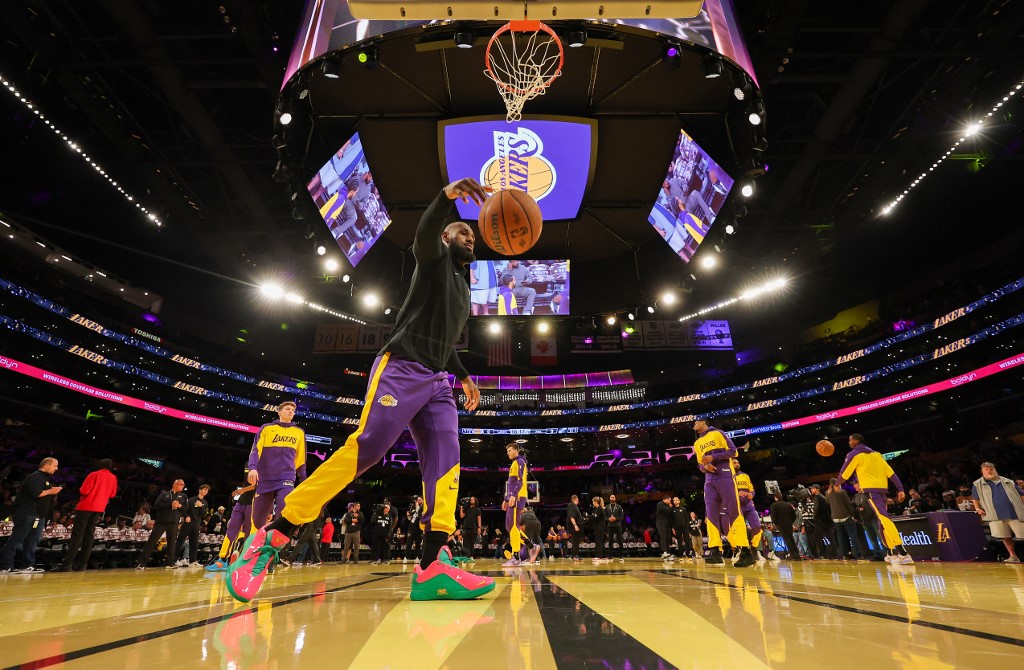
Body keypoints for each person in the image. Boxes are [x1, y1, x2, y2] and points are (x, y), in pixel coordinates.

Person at [228, 177, 493, 603]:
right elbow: (425, 232)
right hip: (401, 368)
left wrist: (462, 375)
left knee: (447, 459)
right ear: (446, 237)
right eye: (464, 231)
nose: (470, 237)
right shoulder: (434, 257)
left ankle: (433, 563)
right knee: (367, 447)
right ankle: (274, 534)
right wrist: (444, 197)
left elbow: (443, 341)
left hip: (437, 381)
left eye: (474, 236)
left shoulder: (462, 287)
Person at [834, 433, 912, 564]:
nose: (849, 443)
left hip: (870, 491)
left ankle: (903, 553)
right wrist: (900, 489)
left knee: (884, 519)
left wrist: (837, 484)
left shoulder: (854, 454)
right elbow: (891, 473)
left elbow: (845, 472)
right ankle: (891, 552)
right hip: (882, 490)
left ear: (856, 441)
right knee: (881, 521)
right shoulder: (877, 454)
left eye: (850, 440)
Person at [693, 420, 754, 567]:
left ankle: (745, 551)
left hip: (725, 475)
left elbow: (733, 452)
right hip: (709, 479)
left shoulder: (718, 433)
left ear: (703, 422)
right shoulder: (697, 443)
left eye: (695, 422)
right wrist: (705, 467)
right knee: (711, 515)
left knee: (734, 511)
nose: (693, 426)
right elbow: (700, 465)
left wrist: (713, 457)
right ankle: (715, 550)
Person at [246, 401, 307, 533]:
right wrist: (252, 468)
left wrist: (303, 479)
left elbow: (301, 458)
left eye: (293, 410)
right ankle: (259, 542)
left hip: (287, 477)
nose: (291, 411)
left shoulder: (299, 433)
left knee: (284, 511)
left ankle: (275, 545)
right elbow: (256, 450)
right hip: (265, 478)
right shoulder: (266, 428)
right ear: (279, 412)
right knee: (257, 520)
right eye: (287, 409)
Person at [0, 458, 62, 573]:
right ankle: (5, 565)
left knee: (33, 540)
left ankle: (27, 565)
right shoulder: (36, 477)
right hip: (27, 514)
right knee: (17, 539)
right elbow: (36, 493)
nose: (57, 468)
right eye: (55, 465)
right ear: (47, 466)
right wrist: (51, 491)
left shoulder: (44, 478)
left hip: (38, 516)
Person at [56, 458, 117, 572]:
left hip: (86, 506)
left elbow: (84, 491)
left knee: (77, 535)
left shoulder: (94, 474)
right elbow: (112, 494)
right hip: (99, 508)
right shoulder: (113, 478)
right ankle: (82, 564)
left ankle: (67, 564)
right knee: (89, 536)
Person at [971, 462, 1024, 563]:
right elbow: (975, 498)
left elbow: (1021, 494)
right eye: (986, 470)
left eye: (991, 469)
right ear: (981, 471)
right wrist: (977, 508)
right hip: (994, 515)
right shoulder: (977, 484)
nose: (989, 471)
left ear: (995, 470)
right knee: (1004, 537)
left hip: (1014, 513)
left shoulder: (1008, 481)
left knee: (1022, 535)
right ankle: (1013, 556)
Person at [136, 479, 188, 569]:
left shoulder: (183, 496)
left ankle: (170, 563)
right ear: (175, 484)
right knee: (152, 541)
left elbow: (185, 509)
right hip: (161, 522)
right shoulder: (164, 495)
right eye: (181, 484)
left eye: (183, 485)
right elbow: (157, 506)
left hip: (174, 522)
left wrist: (179, 506)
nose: (183, 486)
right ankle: (142, 563)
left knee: (172, 543)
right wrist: (170, 504)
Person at [207, 483, 255, 572]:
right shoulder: (248, 469)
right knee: (230, 531)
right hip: (241, 502)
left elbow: (260, 484)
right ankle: (223, 560)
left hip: (254, 503)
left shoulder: (262, 470)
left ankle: (246, 561)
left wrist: (243, 490)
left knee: (248, 534)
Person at [731, 458, 765, 563]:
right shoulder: (728, 478)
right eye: (734, 463)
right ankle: (739, 551)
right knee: (740, 530)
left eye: (738, 462)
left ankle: (753, 547)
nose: (737, 464)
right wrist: (737, 493)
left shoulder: (745, 476)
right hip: (737, 506)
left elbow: (752, 489)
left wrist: (751, 494)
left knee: (757, 527)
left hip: (749, 506)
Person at [502, 443, 528, 566]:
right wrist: (506, 498)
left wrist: (513, 495)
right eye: (507, 450)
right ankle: (531, 545)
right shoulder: (514, 463)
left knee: (513, 526)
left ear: (516, 451)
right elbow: (511, 483)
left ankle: (516, 556)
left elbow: (520, 481)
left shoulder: (520, 462)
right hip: (512, 497)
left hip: (517, 498)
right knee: (510, 526)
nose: (508, 452)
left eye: (510, 450)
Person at [827, 479, 865, 561]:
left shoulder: (827, 493)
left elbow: (829, 504)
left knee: (841, 537)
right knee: (853, 536)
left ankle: (845, 555)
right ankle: (858, 555)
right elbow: (848, 504)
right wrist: (852, 516)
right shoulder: (841, 492)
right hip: (845, 517)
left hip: (836, 518)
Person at [179, 484, 211, 567]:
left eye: (206, 491)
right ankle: (175, 560)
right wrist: (186, 516)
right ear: (200, 490)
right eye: (204, 489)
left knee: (194, 543)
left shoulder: (205, 502)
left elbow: (204, 514)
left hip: (196, 524)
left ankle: (192, 561)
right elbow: (184, 509)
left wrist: (201, 506)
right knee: (180, 541)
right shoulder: (191, 500)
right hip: (187, 523)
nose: (205, 491)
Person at [852, 483, 886, 560]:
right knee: (872, 538)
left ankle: (887, 553)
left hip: (874, 518)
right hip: (864, 520)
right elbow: (853, 506)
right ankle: (877, 554)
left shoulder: (869, 494)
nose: (856, 488)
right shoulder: (856, 496)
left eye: (857, 486)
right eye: (855, 487)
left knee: (880, 536)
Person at [769, 493, 799, 559]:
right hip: (789, 524)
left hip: (781, 525)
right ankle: (797, 555)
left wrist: (776, 524)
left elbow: (773, 517)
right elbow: (794, 515)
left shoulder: (774, 505)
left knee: (787, 539)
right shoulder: (788, 505)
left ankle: (792, 555)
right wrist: (791, 522)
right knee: (791, 539)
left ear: (776, 498)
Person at [808, 483, 833, 559]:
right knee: (830, 537)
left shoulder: (817, 497)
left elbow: (816, 509)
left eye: (813, 488)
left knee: (816, 537)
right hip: (827, 520)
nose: (811, 490)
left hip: (820, 521)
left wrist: (814, 517)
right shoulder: (824, 497)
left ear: (817, 489)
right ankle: (834, 553)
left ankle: (822, 554)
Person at [405, 496, 425, 562]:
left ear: (423, 500)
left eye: (419, 500)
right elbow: (410, 518)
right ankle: (406, 557)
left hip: (419, 528)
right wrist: (408, 516)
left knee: (418, 543)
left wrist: (417, 508)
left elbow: (420, 515)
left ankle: (417, 557)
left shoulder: (424, 508)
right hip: (411, 527)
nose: (418, 501)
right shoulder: (412, 507)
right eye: (417, 500)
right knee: (409, 543)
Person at [606, 494, 625, 562]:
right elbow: (604, 517)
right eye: (611, 497)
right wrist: (609, 519)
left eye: (613, 497)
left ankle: (621, 556)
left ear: (615, 498)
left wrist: (615, 519)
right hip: (610, 525)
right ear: (610, 498)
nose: (612, 498)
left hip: (617, 525)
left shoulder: (619, 507)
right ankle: (610, 556)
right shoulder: (607, 507)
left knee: (619, 540)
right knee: (610, 541)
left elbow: (622, 517)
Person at [565, 495, 584, 562]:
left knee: (577, 541)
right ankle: (574, 556)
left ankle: (576, 555)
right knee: (575, 541)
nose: (578, 501)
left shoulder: (574, 506)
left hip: (577, 527)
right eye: (578, 499)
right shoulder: (571, 505)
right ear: (575, 499)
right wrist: (575, 525)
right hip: (574, 527)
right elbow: (572, 517)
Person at [656, 495, 674, 561]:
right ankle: (664, 552)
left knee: (667, 537)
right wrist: (670, 507)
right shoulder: (660, 504)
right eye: (669, 500)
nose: (670, 502)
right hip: (661, 523)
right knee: (663, 537)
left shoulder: (666, 506)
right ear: (666, 499)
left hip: (667, 523)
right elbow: (668, 511)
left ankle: (668, 553)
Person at [591, 496, 608, 563]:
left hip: (599, 527)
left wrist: (588, 516)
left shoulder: (599, 509)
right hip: (600, 527)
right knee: (601, 541)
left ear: (595, 502)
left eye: (593, 502)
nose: (592, 503)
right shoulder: (599, 509)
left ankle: (599, 556)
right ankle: (604, 556)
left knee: (598, 541)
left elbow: (595, 517)